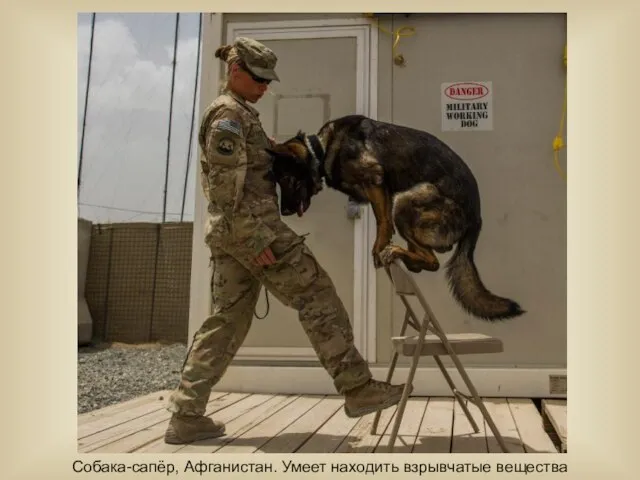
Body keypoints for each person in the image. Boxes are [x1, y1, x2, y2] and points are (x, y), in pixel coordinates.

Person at [164, 37, 410, 445]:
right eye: (258, 78)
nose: (264, 87)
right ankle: (358, 387)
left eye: (268, 81)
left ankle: (187, 415)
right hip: (250, 230)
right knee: (316, 294)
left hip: (232, 234)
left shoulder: (241, 113)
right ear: (236, 70)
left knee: (227, 321)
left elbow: (249, 173)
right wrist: (256, 236)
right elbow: (225, 189)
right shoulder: (228, 116)